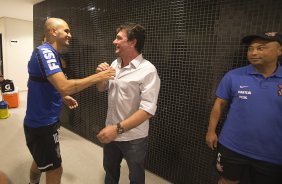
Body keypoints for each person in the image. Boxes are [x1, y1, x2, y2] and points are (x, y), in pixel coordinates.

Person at [24, 17, 115, 184]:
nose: (70, 35)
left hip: (42, 122)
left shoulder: (52, 54)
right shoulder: (45, 52)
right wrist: (99, 76)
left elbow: (44, 83)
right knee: (55, 169)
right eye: (66, 30)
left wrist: (62, 96)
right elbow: (64, 85)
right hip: (41, 124)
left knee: (40, 159)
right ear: (52, 31)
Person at [206, 32, 282, 184]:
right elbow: (220, 104)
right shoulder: (234, 76)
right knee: (227, 180)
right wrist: (211, 131)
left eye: (261, 48)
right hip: (232, 146)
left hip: (272, 153)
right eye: (250, 49)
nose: (253, 52)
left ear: (279, 50)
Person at [96, 23, 160, 184]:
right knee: (110, 172)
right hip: (111, 130)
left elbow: (147, 111)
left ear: (132, 42)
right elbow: (101, 88)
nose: (114, 41)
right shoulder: (114, 64)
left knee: (136, 177)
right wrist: (101, 77)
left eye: (118, 38)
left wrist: (116, 129)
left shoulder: (148, 71)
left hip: (134, 137)